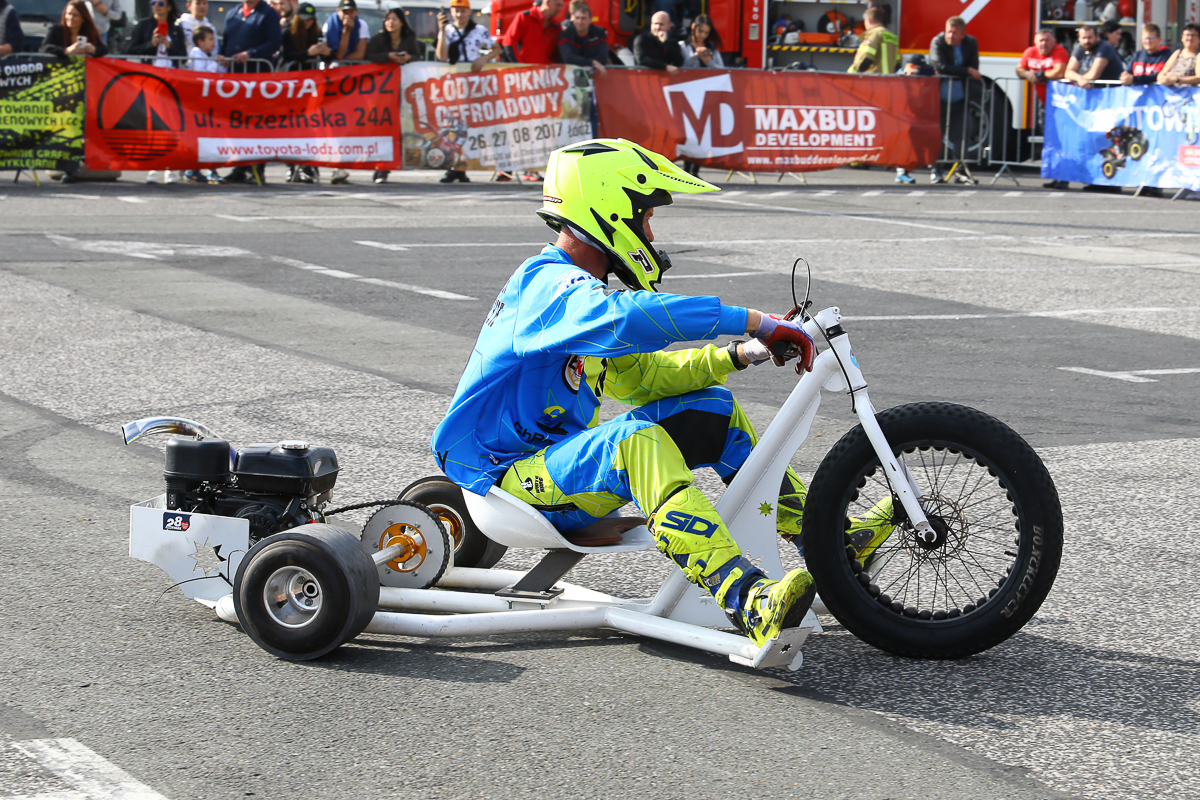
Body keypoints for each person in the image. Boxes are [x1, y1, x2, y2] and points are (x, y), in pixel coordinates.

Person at [431, 140, 894, 647]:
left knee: (712, 409)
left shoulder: (581, 300)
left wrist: (740, 354)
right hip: (505, 484)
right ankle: (748, 599)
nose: (651, 235)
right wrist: (754, 321)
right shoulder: (547, 286)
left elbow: (641, 378)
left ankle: (827, 541)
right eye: (646, 219)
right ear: (608, 208)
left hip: (554, 470)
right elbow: (628, 316)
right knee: (638, 440)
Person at [902, 16, 978, 184]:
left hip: (961, 97)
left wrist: (966, 71)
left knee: (962, 134)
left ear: (962, 35)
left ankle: (960, 172)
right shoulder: (938, 42)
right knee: (937, 135)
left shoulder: (971, 43)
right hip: (939, 98)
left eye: (954, 33)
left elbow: (975, 66)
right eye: (948, 31)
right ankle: (936, 171)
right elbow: (939, 66)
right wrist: (967, 71)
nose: (950, 36)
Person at [434, 0, 496, 183]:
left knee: (469, 125)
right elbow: (441, 56)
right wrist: (442, 32)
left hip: (472, 83)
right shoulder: (448, 31)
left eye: (462, 11)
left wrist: (484, 58)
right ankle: (455, 166)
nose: (459, 15)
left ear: (469, 12)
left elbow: (496, 48)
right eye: (456, 11)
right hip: (454, 83)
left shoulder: (479, 31)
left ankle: (464, 164)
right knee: (454, 126)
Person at [221, 0, 281, 183]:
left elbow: (274, 43)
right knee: (236, 122)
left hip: (256, 78)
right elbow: (226, 41)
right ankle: (239, 168)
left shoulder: (268, 13)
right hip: (235, 79)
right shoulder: (232, 13)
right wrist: (222, 57)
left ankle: (257, 167)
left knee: (256, 123)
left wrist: (251, 54)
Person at [366, 7, 421, 184]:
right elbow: (368, 55)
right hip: (381, 89)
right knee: (381, 126)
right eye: (388, 19)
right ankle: (380, 166)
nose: (391, 22)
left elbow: (417, 55)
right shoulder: (378, 39)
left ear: (402, 22)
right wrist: (388, 56)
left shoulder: (409, 38)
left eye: (395, 19)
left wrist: (407, 58)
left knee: (398, 127)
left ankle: (388, 165)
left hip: (403, 88)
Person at [1016, 29, 1071, 189]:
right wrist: (1028, 74)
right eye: (1040, 40)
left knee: (1062, 140)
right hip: (1044, 103)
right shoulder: (1030, 52)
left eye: (1047, 40)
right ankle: (1055, 175)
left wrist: (1041, 75)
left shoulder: (1060, 51)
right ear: (1035, 42)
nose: (1044, 44)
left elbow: (1059, 70)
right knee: (1050, 140)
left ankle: (1064, 177)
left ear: (1054, 41)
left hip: (1061, 103)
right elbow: (1019, 69)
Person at [499, 0, 563, 65]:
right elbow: (508, 42)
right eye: (557, 5)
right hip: (526, 70)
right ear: (547, 2)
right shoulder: (525, 17)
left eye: (561, 6)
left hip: (546, 71)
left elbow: (559, 51)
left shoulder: (556, 25)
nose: (560, 9)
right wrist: (518, 65)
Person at [40, 0, 107, 58]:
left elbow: (104, 49)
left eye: (75, 15)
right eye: (69, 14)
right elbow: (44, 48)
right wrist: (67, 51)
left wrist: (94, 49)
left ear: (83, 18)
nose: (71, 18)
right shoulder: (56, 29)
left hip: (83, 70)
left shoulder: (89, 31)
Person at [1065, 24, 1123, 88]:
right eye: (1084, 38)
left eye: (1089, 37)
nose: (1086, 41)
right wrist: (1079, 79)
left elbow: (1094, 75)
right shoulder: (1080, 47)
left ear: (1097, 37)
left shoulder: (1105, 47)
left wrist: (1080, 80)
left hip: (1108, 91)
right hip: (1091, 91)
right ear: (1079, 38)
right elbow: (1068, 72)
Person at [558, 0, 607, 76]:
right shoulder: (565, 34)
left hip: (594, 77)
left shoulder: (600, 33)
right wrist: (592, 62)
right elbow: (568, 58)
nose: (580, 22)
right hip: (568, 76)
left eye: (583, 18)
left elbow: (603, 58)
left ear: (590, 20)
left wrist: (581, 61)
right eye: (577, 18)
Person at [848, 7, 895, 75]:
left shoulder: (874, 34)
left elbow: (866, 59)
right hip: (890, 80)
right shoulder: (892, 36)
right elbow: (897, 64)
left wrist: (850, 74)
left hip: (874, 80)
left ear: (869, 21)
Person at [282, 0, 325, 68]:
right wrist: (308, 53)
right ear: (297, 19)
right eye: (304, 19)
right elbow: (287, 56)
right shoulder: (287, 32)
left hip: (309, 73)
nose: (307, 22)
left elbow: (325, 57)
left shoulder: (316, 33)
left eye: (310, 19)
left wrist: (327, 53)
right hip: (289, 73)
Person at [1158, 22, 1200, 87]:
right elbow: (1161, 74)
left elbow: (1198, 78)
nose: (1189, 38)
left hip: (1188, 92)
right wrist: (1165, 79)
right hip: (1170, 90)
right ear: (1182, 38)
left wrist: (1177, 80)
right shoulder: (1177, 53)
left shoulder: (1198, 55)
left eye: (1193, 35)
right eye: (1187, 35)